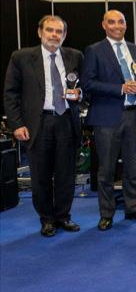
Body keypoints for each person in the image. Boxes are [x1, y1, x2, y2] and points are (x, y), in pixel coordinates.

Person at [4, 15, 83, 237]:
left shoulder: (75, 56)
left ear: (64, 35)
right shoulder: (21, 57)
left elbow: (84, 86)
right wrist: (16, 124)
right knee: (40, 175)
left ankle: (63, 216)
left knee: (66, 174)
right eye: (50, 30)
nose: (54, 35)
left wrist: (80, 93)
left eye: (59, 31)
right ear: (40, 32)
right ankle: (47, 219)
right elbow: (10, 94)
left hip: (66, 120)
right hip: (37, 123)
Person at [81, 10, 136, 231]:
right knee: (106, 169)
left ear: (126, 24)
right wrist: (120, 88)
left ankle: (133, 208)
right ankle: (106, 214)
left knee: (133, 167)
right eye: (112, 22)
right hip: (106, 118)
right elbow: (87, 83)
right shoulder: (94, 51)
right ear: (103, 25)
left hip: (134, 116)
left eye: (121, 22)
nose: (117, 26)